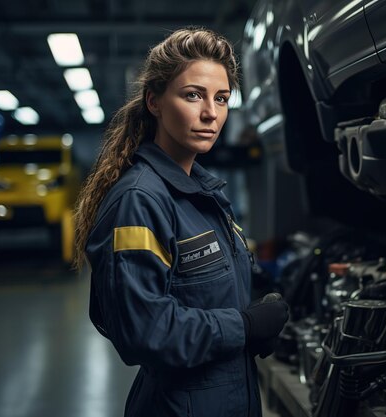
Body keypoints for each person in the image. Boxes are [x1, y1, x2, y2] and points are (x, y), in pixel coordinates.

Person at [73, 27, 289, 417]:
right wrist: (244, 326)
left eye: (221, 99)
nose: (211, 113)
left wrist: (254, 315)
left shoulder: (202, 193)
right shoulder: (140, 200)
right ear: (154, 102)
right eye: (193, 95)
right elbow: (143, 331)